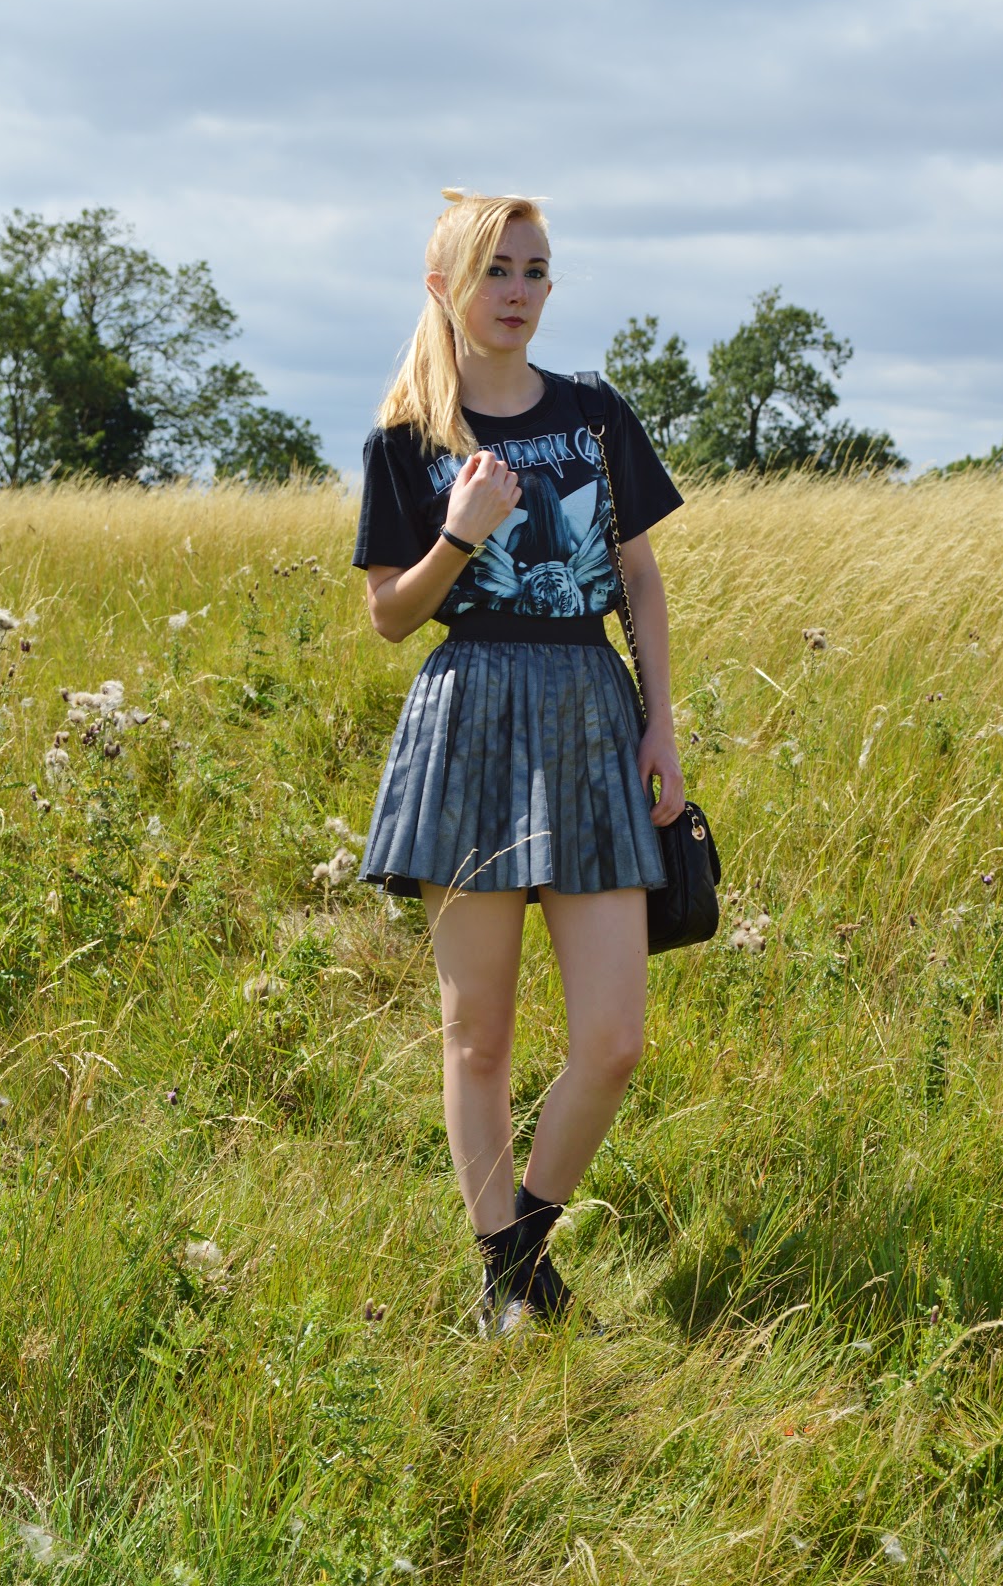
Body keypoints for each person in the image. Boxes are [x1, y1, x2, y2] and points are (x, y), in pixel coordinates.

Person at [353, 189, 685, 1335]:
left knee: (613, 1040)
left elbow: (636, 574)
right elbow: (391, 615)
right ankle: (510, 1286)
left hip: (591, 716)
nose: (517, 292)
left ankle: (516, 1255)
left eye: (535, 271)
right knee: (477, 1033)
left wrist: (660, 722)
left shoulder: (592, 414)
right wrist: (461, 532)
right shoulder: (408, 440)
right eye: (496, 270)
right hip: (470, 724)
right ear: (444, 285)